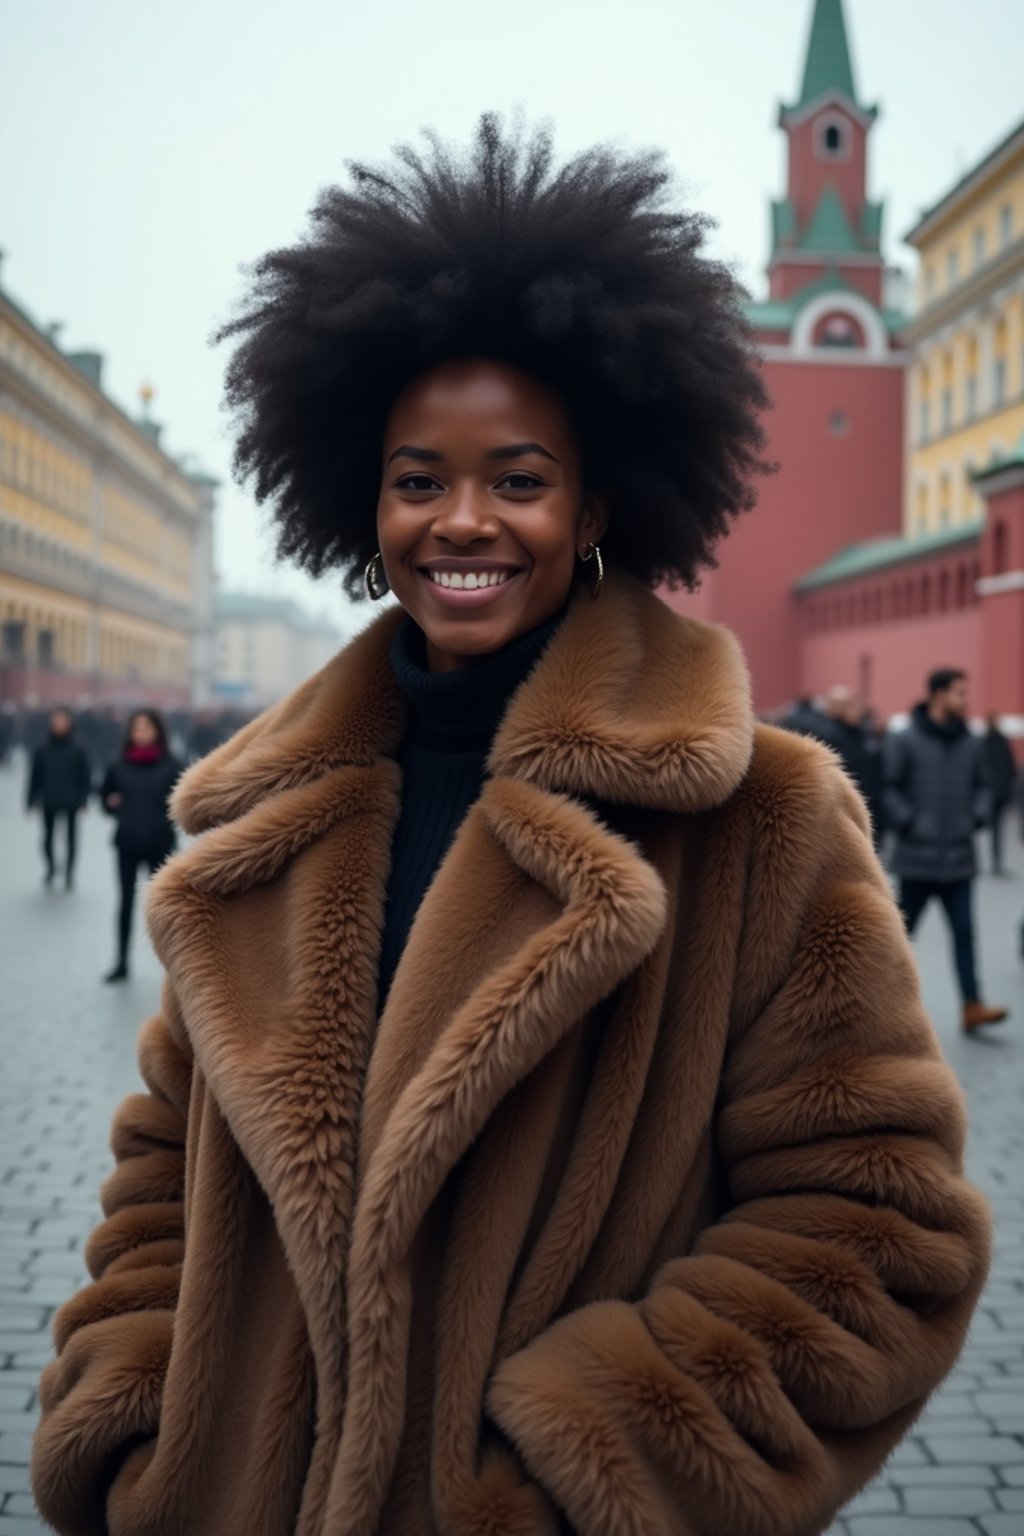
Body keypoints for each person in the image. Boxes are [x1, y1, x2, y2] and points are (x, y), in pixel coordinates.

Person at [32, 119, 990, 1536]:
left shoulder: (760, 819)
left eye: (519, 479)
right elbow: (165, 1172)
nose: (461, 521)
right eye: (420, 479)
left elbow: (877, 1229)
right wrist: (128, 1419)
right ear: (364, 501)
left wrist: (568, 1484)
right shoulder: (262, 824)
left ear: (597, 501)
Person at [884, 668, 1008, 1032]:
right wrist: (910, 822)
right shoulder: (904, 740)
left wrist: (976, 818)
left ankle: (972, 1006)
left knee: (965, 934)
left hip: (959, 860)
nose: (965, 700)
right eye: (959, 693)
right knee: (900, 940)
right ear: (938, 695)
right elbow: (888, 788)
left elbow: (986, 786)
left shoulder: (971, 743)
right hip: (915, 861)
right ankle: (879, 1011)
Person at [97, 708, 182, 983]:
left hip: (160, 843)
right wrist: (111, 804)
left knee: (162, 908)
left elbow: (182, 804)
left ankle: (174, 965)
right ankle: (121, 961)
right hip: (128, 843)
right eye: (137, 727)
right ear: (130, 732)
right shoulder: (117, 764)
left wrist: (165, 818)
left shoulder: (172, 765)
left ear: (158, 731)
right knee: (125, 903)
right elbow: (104, 798)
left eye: (147, 727)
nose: (142, 732)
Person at [25, 707, 92, 890]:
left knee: (71, 838)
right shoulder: (42, 747)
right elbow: (34, 776)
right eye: (56, 721)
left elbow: (85, 776)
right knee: (47, 838)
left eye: (63, 721)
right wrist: (29, 800)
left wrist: (84, 800)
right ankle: (51, 868)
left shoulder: (79, 747)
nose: (59, 725)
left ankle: (70, 872)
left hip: (71, 800)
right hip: (49, 799)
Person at [982, 711, 1017, 875]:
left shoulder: (983, 742)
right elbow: (1011, 768)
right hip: (998, 792)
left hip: (993, 793)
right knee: (997, 829)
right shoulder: (998, 742)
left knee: (996, 828)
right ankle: (997, 861)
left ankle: (996, 860)